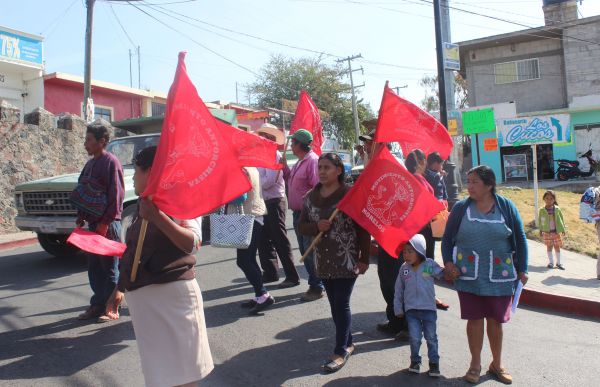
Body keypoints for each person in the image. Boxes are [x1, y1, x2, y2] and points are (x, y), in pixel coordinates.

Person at [105, 146, 213, 387]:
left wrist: (156, 217)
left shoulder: (180, 199)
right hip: (148, 309)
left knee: (183, 377)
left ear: (151, 171)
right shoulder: (146, 203)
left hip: (174, 304)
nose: (133, 177)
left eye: (137, 171)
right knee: (160, 377)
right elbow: (135, 251)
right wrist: (119, 288)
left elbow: (193, 243)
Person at [442, 165, 529, 385]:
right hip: (468, 274)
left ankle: (497, 364)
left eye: (474, 182)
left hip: (500, 274)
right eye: (468, 181)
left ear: (489, 185)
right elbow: (447, 239)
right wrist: (448, 263)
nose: (469, 186)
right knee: (474, 320)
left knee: (495, 321)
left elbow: (520, 238)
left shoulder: (506, 207)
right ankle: (475, 364)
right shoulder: (461, 208)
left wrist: (523, 268)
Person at [298, 153, 370, 373]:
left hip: (346, 259)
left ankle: (340, 350)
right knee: (335, 304)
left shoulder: (349, 195)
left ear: (339, 170)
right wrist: (316, 227)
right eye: (320, 167)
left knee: (341, 303)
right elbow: (302, 226)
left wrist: (364, 258)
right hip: (322, 259)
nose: (322, 171)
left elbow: (363, 227)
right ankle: (348, 342)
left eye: (327, 167)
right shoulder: (310, 197)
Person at [359, 128, 409, 339]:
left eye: (370, 143)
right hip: (382, 232)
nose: (366, 147)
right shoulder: (373, 165)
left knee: (397, 279)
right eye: (366, 143)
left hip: (396, 234)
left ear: (381, 145)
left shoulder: (393, 164)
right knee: (385, 278)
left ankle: (407, 325)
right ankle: (394, 320)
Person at [75, 124, 124, 323]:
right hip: (93, 223)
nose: (86, 144)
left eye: (89, 139)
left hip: (108, 225)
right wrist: (81, 215)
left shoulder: (111, 163)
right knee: (94, 267)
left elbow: (116, 196)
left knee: (110, 267)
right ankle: (97, 305)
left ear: (102, 141)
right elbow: (84, 190)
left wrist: (106, 222)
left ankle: (112, 306)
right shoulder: (90, 164)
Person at [256, 124, 300, 288]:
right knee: (263, 240)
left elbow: (269, 181)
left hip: (274, 201)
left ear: (271, 139)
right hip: (264, 201)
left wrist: (253, 184)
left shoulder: (275, 156)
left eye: (264, 136)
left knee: (279, 239)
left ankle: (291, 275)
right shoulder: (261, 156)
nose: (261, 139)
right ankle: (270, 272)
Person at [394, 234, 444, 378]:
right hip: (411, 311)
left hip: (428, 309)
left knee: (431, 338)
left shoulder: (428, 265)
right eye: (404, 251)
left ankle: (434, 364)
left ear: (420, 251)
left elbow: (441, 274)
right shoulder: (404, 269)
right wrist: (398, 308)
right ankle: (415, 361)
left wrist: (451, 270)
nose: (406, 255)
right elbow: (399, 289)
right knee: (415, 338)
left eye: (410, 251)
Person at [405, 149, 449, 311]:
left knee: (423, 263)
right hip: (422, 229)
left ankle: (427, 294)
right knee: (423, 262)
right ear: (422, 162)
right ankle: (425, 296)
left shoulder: (417, 178)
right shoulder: (417, 180)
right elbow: (423, 204)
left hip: (422, 229)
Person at [282, 129, 323, 302]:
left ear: (301, 144)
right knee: (304, 249)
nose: (291, 145)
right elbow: (290, 178)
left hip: (308, 215)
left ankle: (316, 286)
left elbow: (318, 187)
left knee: (309, 251)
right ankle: (315, 284)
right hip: (298, 213)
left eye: (293, 142)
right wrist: (284, 166)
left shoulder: (312, 161)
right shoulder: (300, 161)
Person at [232, 167, 275, 314]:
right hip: (253, 216)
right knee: (249, 259)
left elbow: (239, 197)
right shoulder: (250, 167)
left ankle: (263, 294)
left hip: (248, 218)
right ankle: (259, 295)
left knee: (244, 260)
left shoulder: (241, 169)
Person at [538, 190, 566, 270]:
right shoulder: (542, 210)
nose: (549, 200)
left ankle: (559, 263)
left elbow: (561, 219)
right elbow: (540, 221)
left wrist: (563, 229)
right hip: (547, 232)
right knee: (549, 247)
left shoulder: (557, 209)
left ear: (554, 200)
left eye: (551, 198)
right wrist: (541, 230)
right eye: (547, 198)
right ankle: (551, 263)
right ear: (544, 199)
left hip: (556, 232)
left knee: (557, 247)